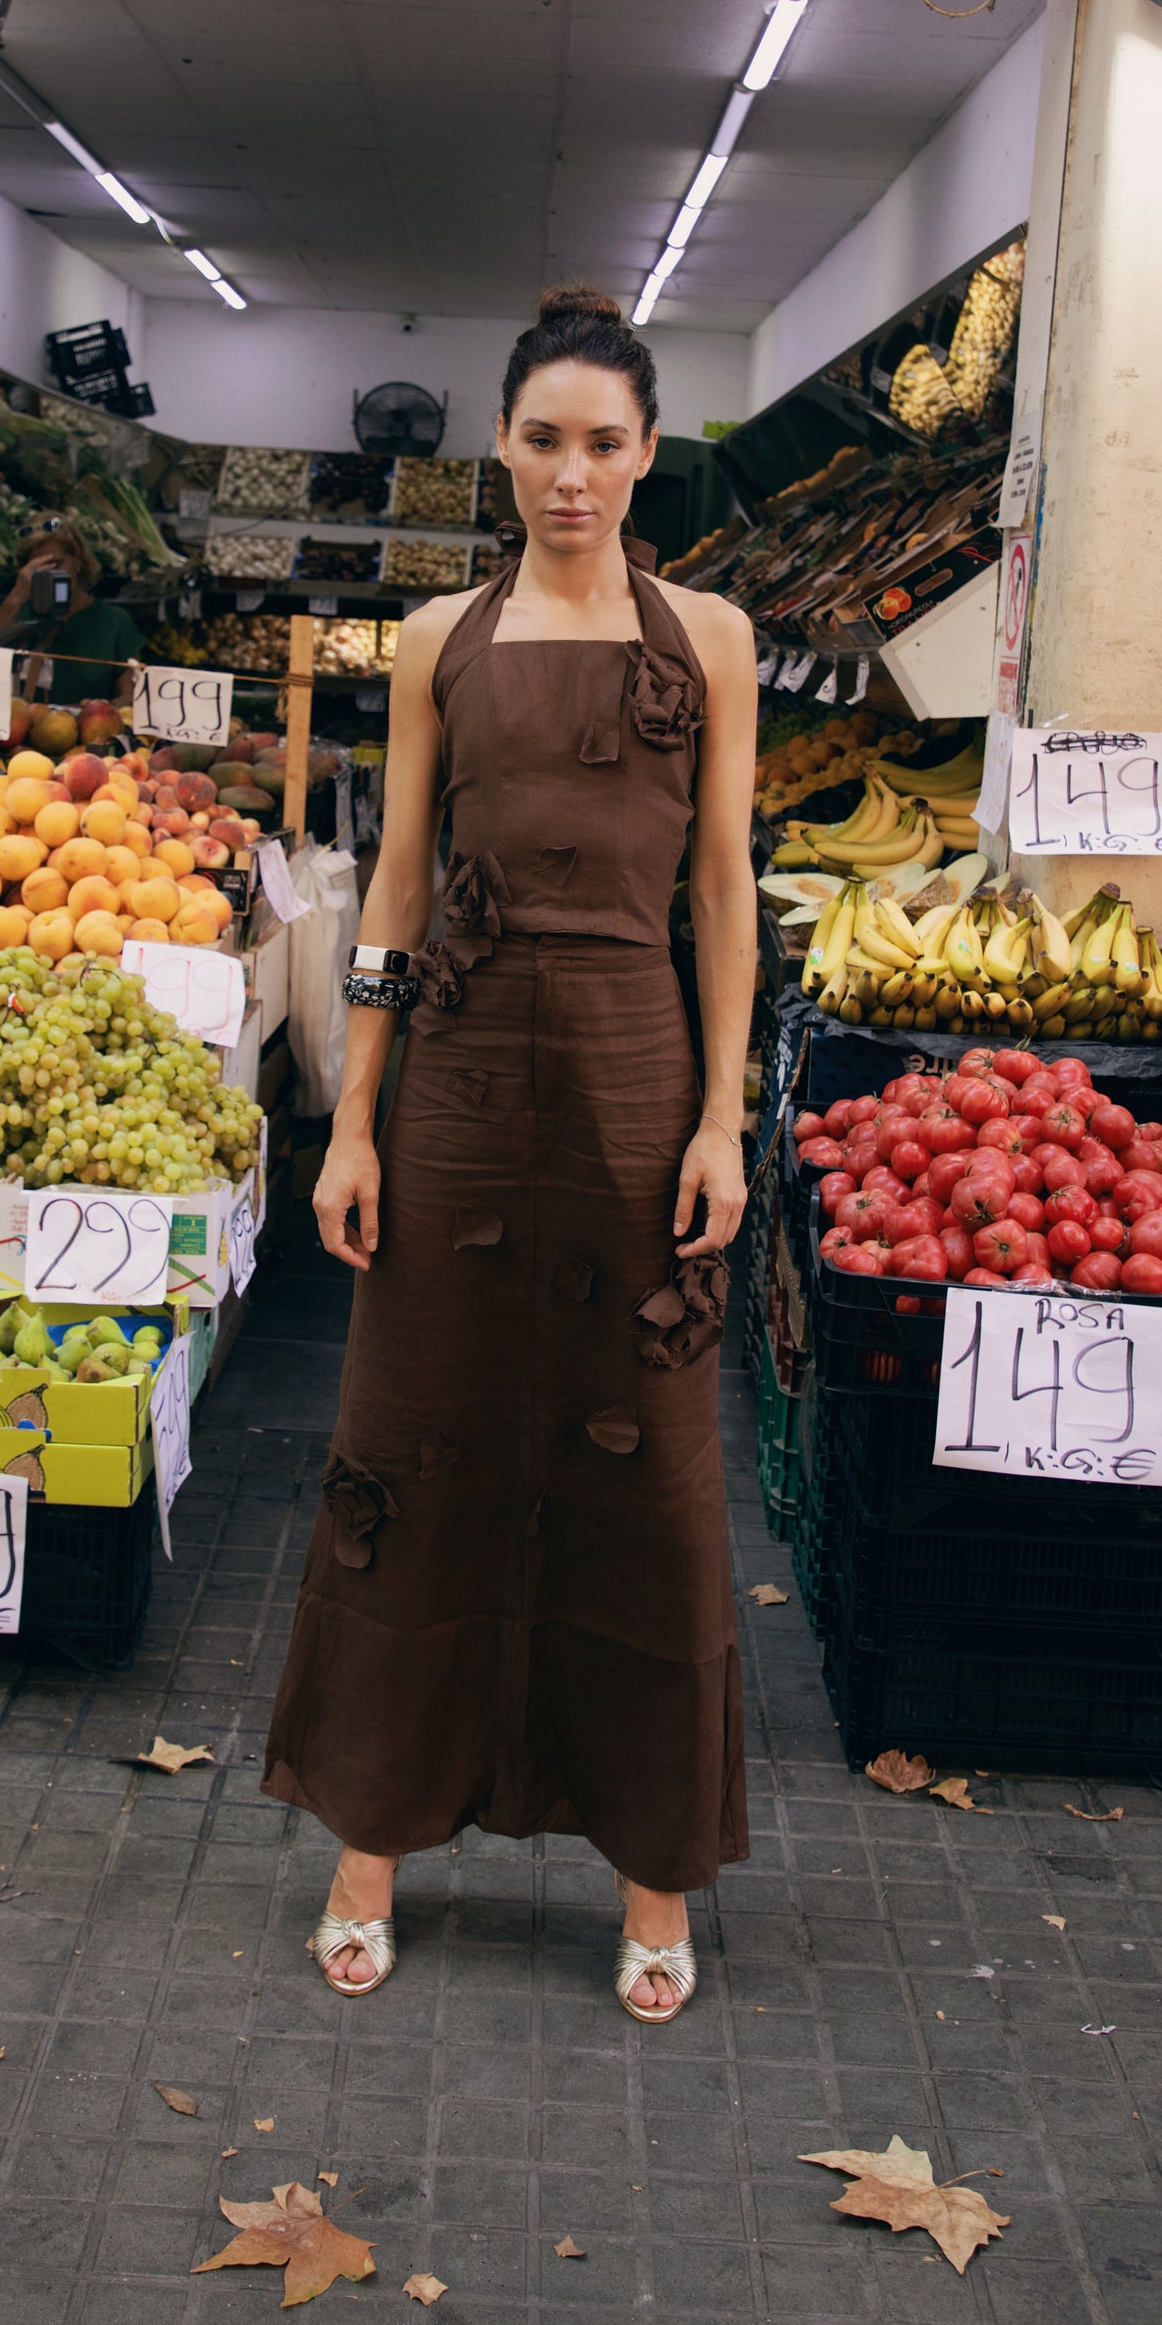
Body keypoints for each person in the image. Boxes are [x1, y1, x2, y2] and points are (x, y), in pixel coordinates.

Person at [262, 284, 759, 2024]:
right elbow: (392, 893)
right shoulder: (433, 643)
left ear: (646, 453)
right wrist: (356, 1111)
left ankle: (656, 1874)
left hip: (635, 1078)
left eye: (604, 442)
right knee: (415, 1440)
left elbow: (720, 887)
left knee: (653, 1467)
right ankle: (368, 1845)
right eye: (543, 439)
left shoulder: (709, 636)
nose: (572, 473)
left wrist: (721, 1110)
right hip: (459, 1088)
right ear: (503, 444)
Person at [0, 518, 145, 710]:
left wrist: (95, 710)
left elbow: (131, 697)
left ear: (77, 560)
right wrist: (18, 594)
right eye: (40, 568)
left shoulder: (113, 622)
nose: (51, 573)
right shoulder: (18, 613)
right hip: (25, 730)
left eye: (57, 563)